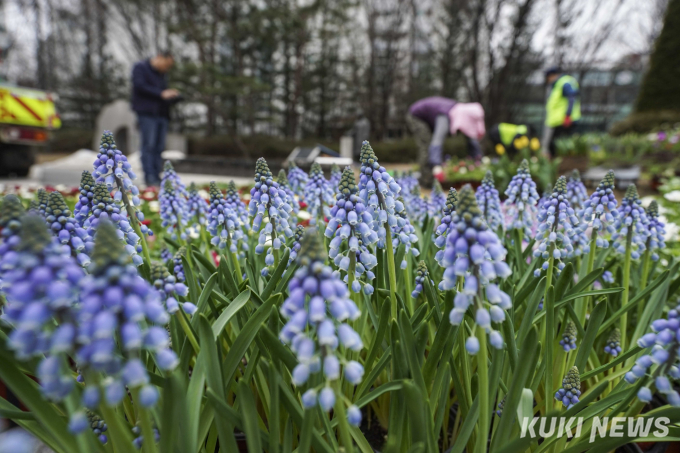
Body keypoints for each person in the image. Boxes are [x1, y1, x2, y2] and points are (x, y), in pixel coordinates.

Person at [406, 97, 485, 186]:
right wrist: (436, 166)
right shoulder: (444, 116)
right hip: (415, 116)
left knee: (430, 147)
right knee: (426, 146)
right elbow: (437, 142)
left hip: (429, 118)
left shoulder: (460, 112)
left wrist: (478, 159)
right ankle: (426, 180)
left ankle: (430, 178)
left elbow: (471, 138)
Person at [131, 51, 180, 186]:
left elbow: (162, 95)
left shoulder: (162, 74)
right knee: (149, 146)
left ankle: (157, 177)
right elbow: (140, 87)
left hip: (162, 114)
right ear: (159, 58)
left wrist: (172, 96)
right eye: (167, 64)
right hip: (147, 114)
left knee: (159, 147)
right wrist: (161, 93)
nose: (167, 68)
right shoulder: (140, 68)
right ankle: (149, 178)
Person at [543, 67, 581, 158]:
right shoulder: (558, 84)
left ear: (552, 76)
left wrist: (568, 116)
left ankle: (560, 167)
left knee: (558, 146)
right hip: (559, 121)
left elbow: (572, 98)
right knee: (555, 146)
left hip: (565, 121)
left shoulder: (564, 83)